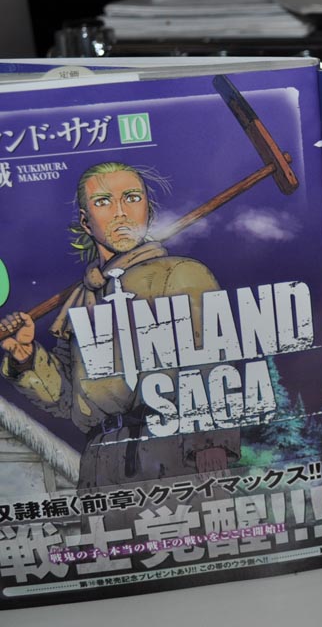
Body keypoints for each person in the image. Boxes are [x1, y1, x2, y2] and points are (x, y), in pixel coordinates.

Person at [0, 161, 238, 490]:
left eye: (132, 198)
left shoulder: (179, 274)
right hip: (100, 465)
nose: (121, 213)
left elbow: (212, 366)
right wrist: (26, 357)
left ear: (148, 210)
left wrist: (210, 448)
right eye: (103, 202)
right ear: (86, 221)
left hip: (170, 453)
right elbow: (69, 401)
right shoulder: (82, 298)